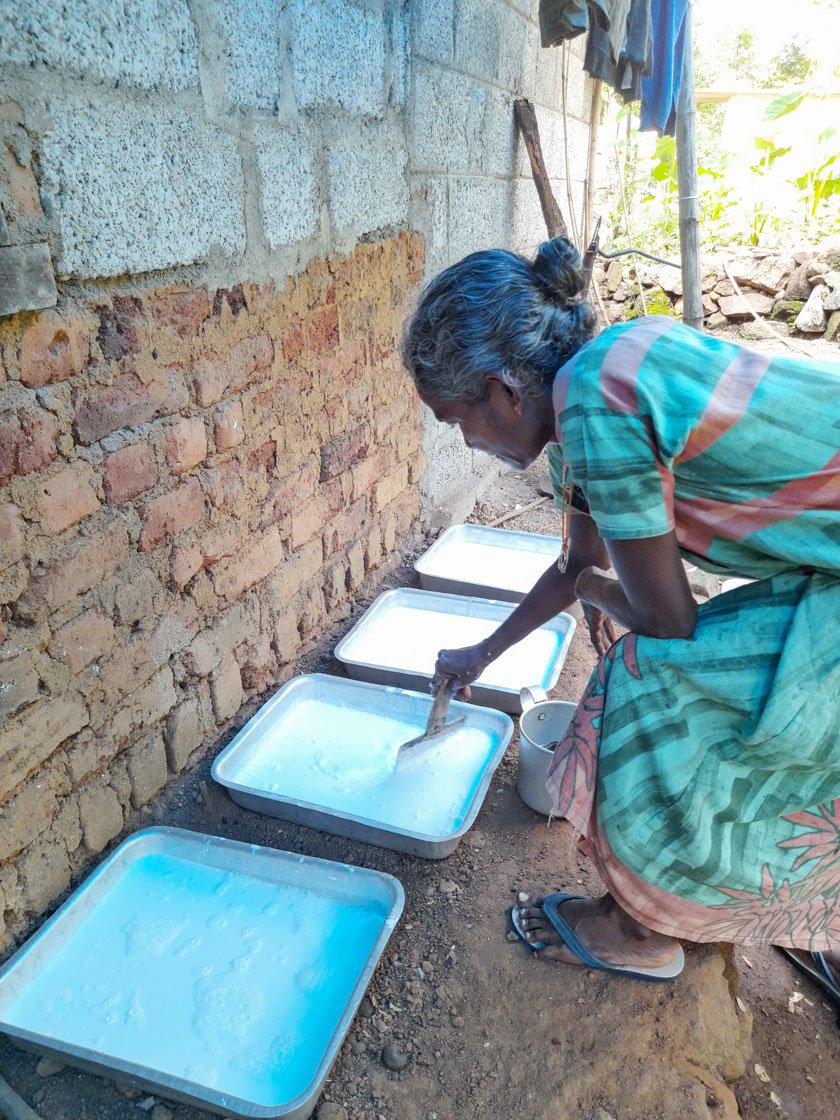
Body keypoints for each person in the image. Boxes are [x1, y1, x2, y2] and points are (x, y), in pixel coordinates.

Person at [400, 236, 840, 987]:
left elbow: (664, 621)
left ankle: (642, 927)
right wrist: (482, 654)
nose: (469, 444)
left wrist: (608, 598)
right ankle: (770, 900)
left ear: (506, 388)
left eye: (458, 421)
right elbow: (577, 565)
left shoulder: (596, 406)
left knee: (642, 680)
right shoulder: (593, 379)